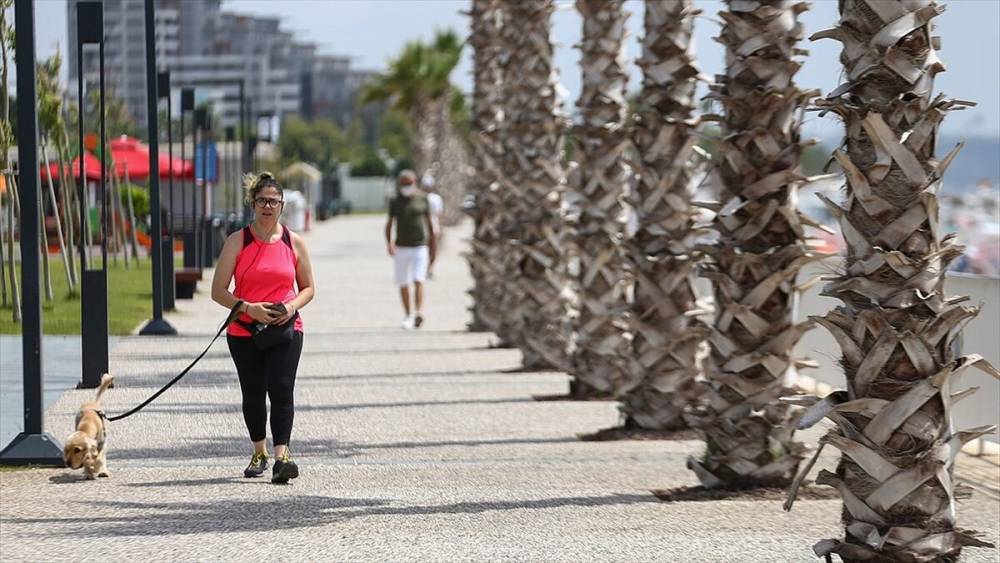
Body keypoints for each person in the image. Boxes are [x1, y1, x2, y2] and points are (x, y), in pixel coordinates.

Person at [211, 171, 315, 484]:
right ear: (252, 204)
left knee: (282, 391)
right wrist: (248, 308)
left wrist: (291, 306)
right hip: (244, 331)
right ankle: (260, 451)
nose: (267, 206)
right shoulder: (237, 241)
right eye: (262, 201)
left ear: (282, 205)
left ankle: (283, 456)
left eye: (273, 201)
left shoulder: (293, 242)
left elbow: (308, 288)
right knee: (254, 393)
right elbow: (218, 291)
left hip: (285, 329)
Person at [386, 170, 436, 329]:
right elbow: (389, 223)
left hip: (420, 246)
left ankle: (418, 312)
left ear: (415, 182)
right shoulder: (395, 200)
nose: (407, 186)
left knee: (418, 279)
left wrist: (433, 246)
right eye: (404, 184)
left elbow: (430, 224)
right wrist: (389, 243)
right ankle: (408, 314)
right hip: (401, 247)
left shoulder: (423, 199)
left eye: (409, 183)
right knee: (403, 282)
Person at [421, 174, 444, 279]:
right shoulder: (420, 197)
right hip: (422, 229)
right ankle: (425, 269)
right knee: (426, 250)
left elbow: (439, 215)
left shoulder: (436, 198)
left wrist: (440, 227)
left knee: (432, 249)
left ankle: (429, 269)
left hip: (433, 228)